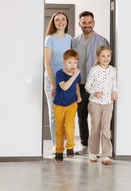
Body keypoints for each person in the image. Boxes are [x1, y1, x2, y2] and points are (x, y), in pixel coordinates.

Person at [71, 11, 109, 155]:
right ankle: (84, 145)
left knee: (97, 118)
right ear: (79, 23)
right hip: (79, 84)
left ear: (94, 22)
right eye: (84, 23)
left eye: (89, 22)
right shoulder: (74, 41)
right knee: (81, 116)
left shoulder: (102, 41)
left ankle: (96, 148)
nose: (87, 25)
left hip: (96, 86)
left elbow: (107, 63)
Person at [44, 11, 72, 155]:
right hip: (52, 79)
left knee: (67, 113)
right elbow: (47, 63)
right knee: (55, 113)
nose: (60, 22)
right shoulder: (50, 39)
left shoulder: (70, 39)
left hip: (68, 80)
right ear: (53, 23)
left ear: (67, 22)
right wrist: (54, 83)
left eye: (63, 19)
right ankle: (57, 145)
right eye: (57, 20)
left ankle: (67, 144)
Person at [85, 46, 117, 164]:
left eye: (108, 56)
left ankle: (106, 155)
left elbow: (114, 83)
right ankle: (93, 152)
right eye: (103, 56)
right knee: (95, 128)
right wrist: (95, 92)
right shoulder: (94, 70)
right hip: (95, 103)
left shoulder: (113, 70)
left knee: (106, 129)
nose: (106, 58)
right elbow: (87, 86)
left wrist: (115, 91)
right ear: (98, 57)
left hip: (108, 103)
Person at [53, 49, 82, 163]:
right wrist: (75, 75)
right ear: (64, 62)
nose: (73, 65)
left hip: (71, 104)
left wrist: (78, 95)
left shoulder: (77, 74)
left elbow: (76, 86)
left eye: (75, 62)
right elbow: (64, 87)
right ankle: (59, 151)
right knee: (60, 129)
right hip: (59, 105)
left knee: (69, 127)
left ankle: (70, 147)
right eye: (70, 62)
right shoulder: (60, 73)